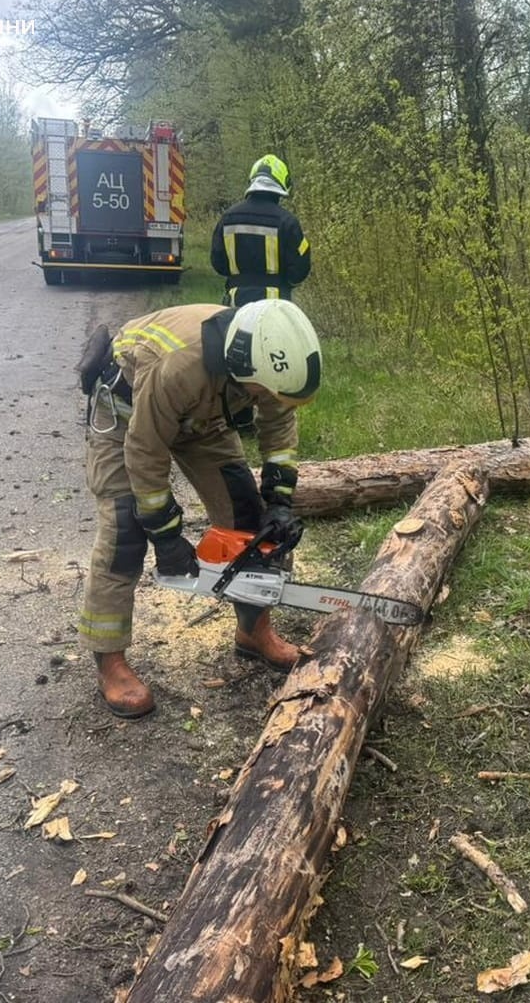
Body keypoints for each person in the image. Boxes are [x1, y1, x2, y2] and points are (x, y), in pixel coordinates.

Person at [75, 299, 322, 718]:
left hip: (202, 418)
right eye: (261, 392)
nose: (266, 398)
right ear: (242, 368)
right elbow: (144, 449)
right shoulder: (179, 365)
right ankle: (110, 661)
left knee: (247, 516)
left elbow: (279, 427)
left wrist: (279, 501)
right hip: (126, 415)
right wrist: (166, 532)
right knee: (125, 531)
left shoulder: (271, 361)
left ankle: (253, 630)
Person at [211, 154, 311, 307]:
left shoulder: (228, 218)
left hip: (236, 302)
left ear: (252, 181)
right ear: (282, 185)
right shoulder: (288, 222)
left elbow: (218, 262)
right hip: (276, 306)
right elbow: (300, 270)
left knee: (229, 331)